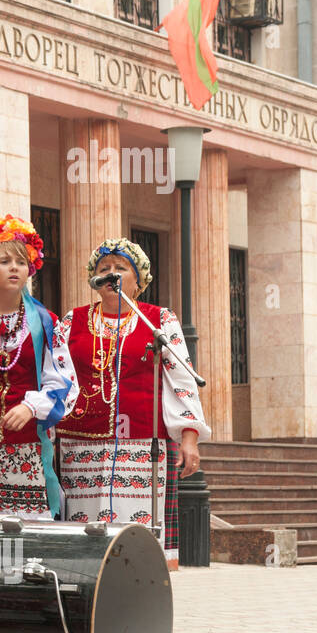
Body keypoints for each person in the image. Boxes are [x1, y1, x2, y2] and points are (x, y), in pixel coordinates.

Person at [56, 239, 210, 563]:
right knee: (86, 542)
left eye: (121, 268)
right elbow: (56, 377)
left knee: (138, 545)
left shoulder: (159, 321)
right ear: (93, 280)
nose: (112, 274)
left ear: (138, 280)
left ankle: (140, 597)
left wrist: (189, 437)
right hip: (81, 448)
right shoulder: (72, 321)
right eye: (104, 269)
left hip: (142, 448)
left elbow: (181, 378)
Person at [0, 216, 78, 520]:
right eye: (4, 261)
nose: (14, 268)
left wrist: (32, 408)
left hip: (27, 454)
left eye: (21, 262)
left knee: (27, 536)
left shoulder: (47, 322)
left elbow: (63, 381)